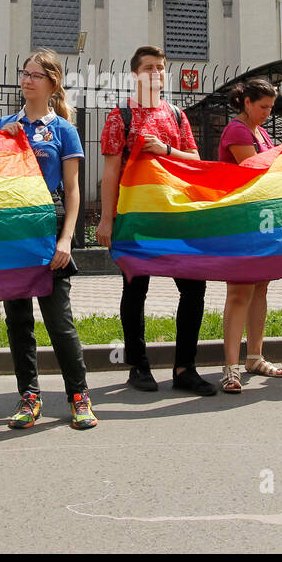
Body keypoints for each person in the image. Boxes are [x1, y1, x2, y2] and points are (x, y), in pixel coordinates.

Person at [96, 45, 215, 395]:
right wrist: (106, 220)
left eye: (161, 68)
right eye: (149, 67)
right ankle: (138, 366)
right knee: (136, 290)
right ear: (135, 74)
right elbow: (110, 171)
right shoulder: (121, 116)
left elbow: (194, 159)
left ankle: (185, 368)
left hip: (176, 218)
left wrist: (166, 150)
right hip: (137, 220)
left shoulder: (177, 115)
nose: (157, 73)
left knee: (194, 289)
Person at [0, 50, 97, 429]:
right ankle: (29, 396)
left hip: (49, 231)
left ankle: (79, 396)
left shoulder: (63, 130)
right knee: (18, 319)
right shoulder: (6, 124)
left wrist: (66, 239)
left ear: (52, 83)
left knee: (59, 320)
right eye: (25, 73)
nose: (28, 79)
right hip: (13, 233)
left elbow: (72, 190)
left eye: (37, 75)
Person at [216, 78, 282, 392]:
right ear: (246, 102)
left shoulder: (260, 132)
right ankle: (230, 366)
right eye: (263, 106)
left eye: (271, 107)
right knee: (239, 292)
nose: (267, 112)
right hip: (242, 220)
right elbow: (254, 170)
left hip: (262, 217)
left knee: (260, 288)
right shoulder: (237, 130)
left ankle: (254, 356)